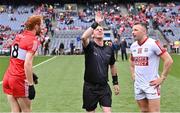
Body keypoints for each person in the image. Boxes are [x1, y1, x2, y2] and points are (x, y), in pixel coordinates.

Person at [129, 22, 173, 112]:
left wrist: (162, 78)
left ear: (144, 31)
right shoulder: (133, 46)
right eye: (132, 30)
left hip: (151, 84)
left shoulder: (154, 43)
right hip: (138, 85)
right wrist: (133, 74)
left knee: (154, 111)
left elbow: (169, 60)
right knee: (144, 110)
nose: (133, 32)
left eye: (136, 30)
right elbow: (131, 60)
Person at [81, 11, 120, 113]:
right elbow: (84, 37)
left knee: (108, 111)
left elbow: (112, 66)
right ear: (92, 34)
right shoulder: (90, 47)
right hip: (90, 87)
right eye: (97, 29)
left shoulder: (109, 48)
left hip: (104, 86)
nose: (99, 30)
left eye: (101, 29)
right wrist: (95, 23)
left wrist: (115, 82)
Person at [2, 15, 43, 112]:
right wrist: (31, 84)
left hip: (8, 77)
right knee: (26, 110)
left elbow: (17, 58)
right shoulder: (33, 40)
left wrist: (30, 74)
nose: (41, 27)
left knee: (15, 110)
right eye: (41, 25)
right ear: (36, 26)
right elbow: (27, 63)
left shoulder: (18, 36)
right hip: (18, 79)